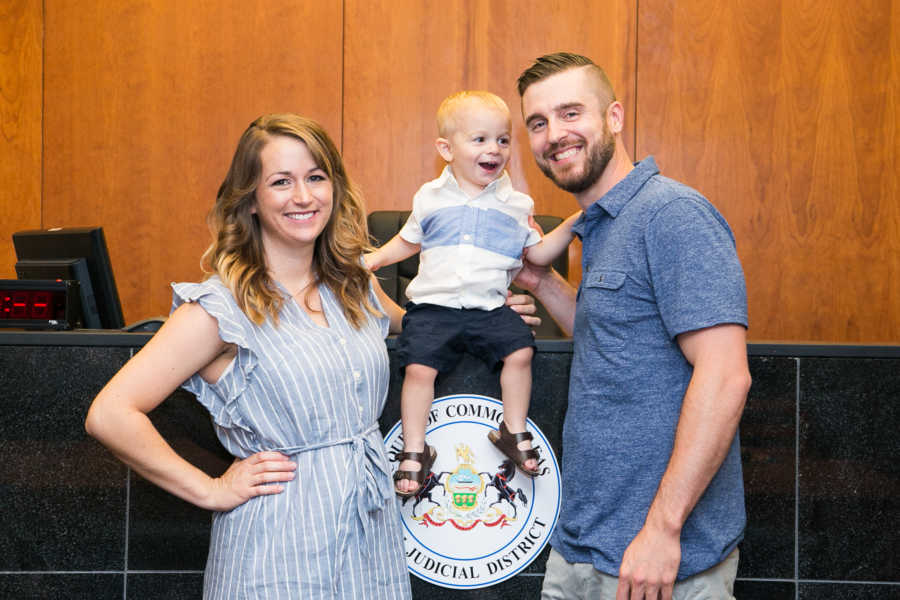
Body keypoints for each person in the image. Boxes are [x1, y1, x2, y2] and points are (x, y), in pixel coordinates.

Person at [85, 114, 418, 598]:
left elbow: (419, 331)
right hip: (276, 549)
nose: (303, 197)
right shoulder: (222, 308)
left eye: (315, 177)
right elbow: (110, 414)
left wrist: (491, 305)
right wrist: (211, 489)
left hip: (370, 543)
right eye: (281, 182)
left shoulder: (355, 287)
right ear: (251, 200)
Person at [514, 53, 753, 600]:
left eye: (571, 113)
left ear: (615, 117)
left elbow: (725, 377)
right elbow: (617, 342)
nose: (555, 134)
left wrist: (663, 531)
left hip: (661, 566)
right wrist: (543, 282)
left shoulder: (672, 215)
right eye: (538, 122)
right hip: (582, 551)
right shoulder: (598, 226)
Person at [364, 90, 579, 496]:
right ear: (446, 148)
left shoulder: (516, 204)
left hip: (489, 308)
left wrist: (578, 220)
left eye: (502, 140)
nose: (494, 149)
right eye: (479, 140)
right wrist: (375, 260)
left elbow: (537, 253)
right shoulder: (429, 197)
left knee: (520, 351)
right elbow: (408, 241)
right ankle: (414, 449)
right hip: (434, 307)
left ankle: (513, 432)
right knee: (418, 368)